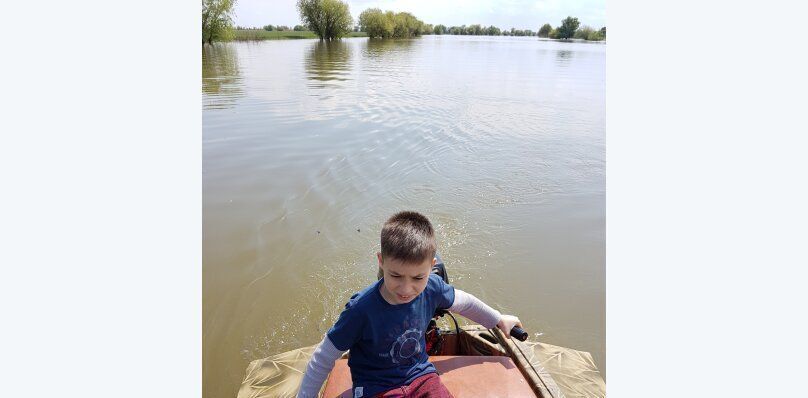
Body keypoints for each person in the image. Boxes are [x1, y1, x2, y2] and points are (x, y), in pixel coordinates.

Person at [296, 211, 522, 398]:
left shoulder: (433, 287)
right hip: (376, 385)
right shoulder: (360, 310)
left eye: (417, 278)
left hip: (420, 376)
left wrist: (498, 319)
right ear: (381, 262)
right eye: (395, 276)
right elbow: (323, 358)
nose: (406, 290)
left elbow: (464, 303)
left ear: (432, 267)